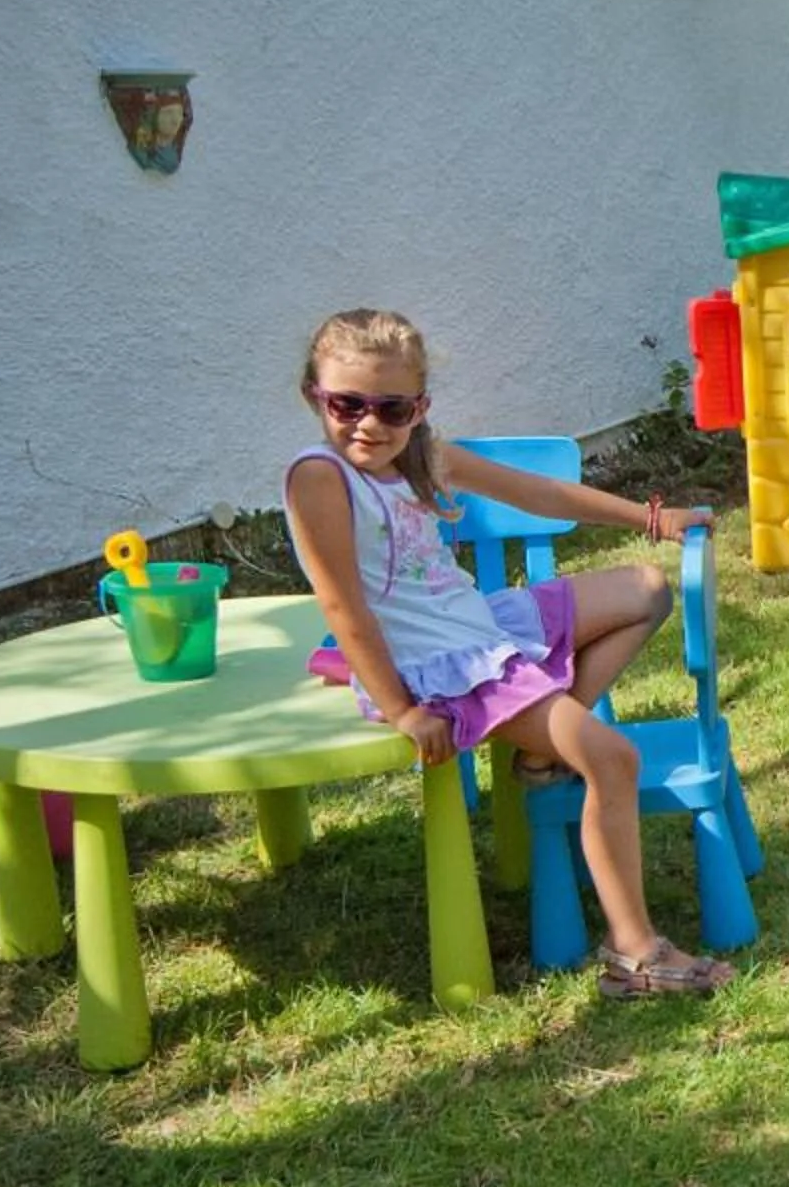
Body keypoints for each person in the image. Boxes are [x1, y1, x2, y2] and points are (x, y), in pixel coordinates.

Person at [282, 307, 728, 998]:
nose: (368, 424)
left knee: (644, 590)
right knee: (613, 757)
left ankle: (540, 749)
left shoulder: (423, 456)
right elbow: (344, 608)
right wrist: (402, 710)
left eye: (391, 408)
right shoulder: (320, 478)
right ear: (315, 394)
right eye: (347, 404)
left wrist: (650, 519)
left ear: (419, 406)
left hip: (483, 629)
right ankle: (635, 954)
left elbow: (541, 494)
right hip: (440, 671)